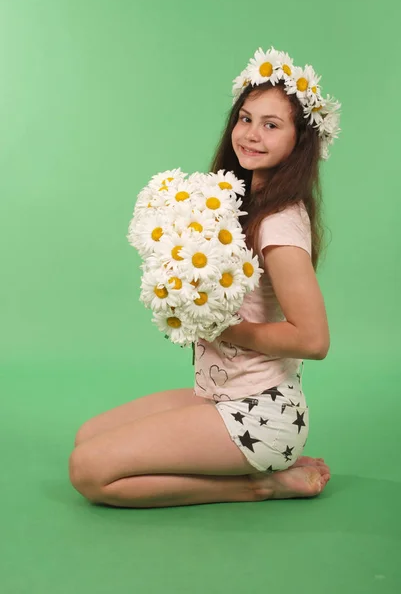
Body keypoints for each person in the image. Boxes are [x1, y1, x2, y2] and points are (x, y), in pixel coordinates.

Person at [69, 46, 341, 508]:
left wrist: (219, 326)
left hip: (260, 415)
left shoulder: (279, 223)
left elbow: (313, 340)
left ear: (301, 141)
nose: (251, 135)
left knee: (89, 473)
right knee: (87, 437)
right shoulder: (238, 203)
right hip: (220, 395)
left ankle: (260, 484)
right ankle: (260, 467)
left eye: (271, 125)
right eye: (245, 118)